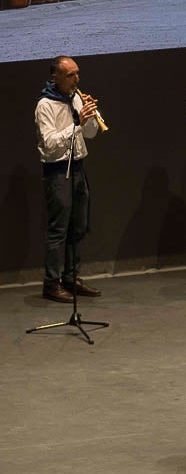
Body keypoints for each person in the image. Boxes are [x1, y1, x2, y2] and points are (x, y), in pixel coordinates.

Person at [35, 55, 103, 303]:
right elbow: (50, 143)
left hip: (77, 167)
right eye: (70, 75)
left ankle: (70, 278)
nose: (77, 79)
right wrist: (76, 122)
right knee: (59, 230)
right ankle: (51, 284)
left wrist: (91, 118)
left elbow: (91, 135)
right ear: (55, 77)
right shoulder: (45, 105)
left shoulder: (75, 97)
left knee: (78, 226)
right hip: (57, 171)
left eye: (77, 73)